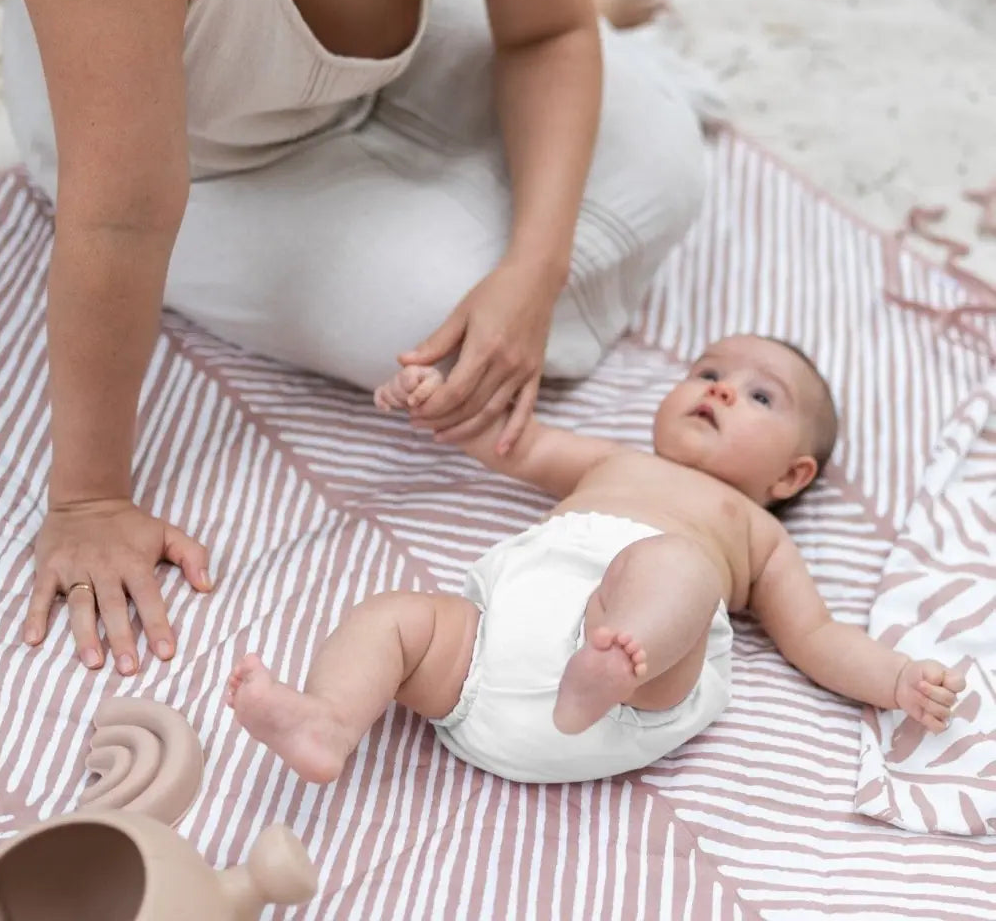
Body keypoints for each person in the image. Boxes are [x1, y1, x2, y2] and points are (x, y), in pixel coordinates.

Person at [0, 0, 712, 675]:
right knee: (427, 322)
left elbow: (545, 33)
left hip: (359, 64)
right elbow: (123, 210)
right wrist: (88, 503)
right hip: (188, 153)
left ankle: (457, 124)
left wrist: (532, 277)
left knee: (664, 150)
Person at [226, 334, 966, 784]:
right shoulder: (609, 460)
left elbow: (816, 638)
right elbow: (516, 446)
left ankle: (601, 670)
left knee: (675, 563)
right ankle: (328, 721)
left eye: (758, 396)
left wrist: (894, 678)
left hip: (633, 689)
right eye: (706, 370)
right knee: (393, 616)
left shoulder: (751, 529)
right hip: (485, 665)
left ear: (789, 478)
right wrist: (438, 398)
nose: (718, 388)